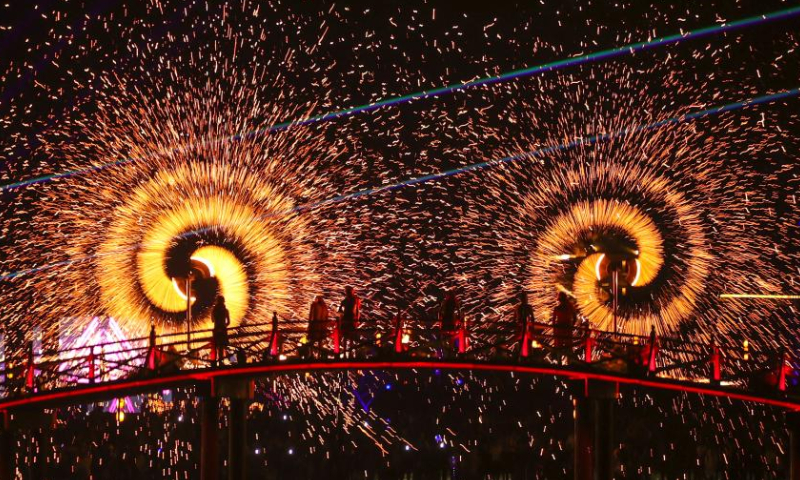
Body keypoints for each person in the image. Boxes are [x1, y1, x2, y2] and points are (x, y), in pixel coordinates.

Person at [552, 292, 576, 362]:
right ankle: (568, 363)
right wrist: (572, 326)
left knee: (560, 347)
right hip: (567, 329)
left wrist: (554, 330)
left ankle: (560, 363)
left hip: (560, 329)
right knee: (568, 347)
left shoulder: (557, 308)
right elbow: (575, 317)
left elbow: (553, 321)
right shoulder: (569, 307)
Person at [438, 290, 462, 357]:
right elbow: (459, 311)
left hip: (446, 319)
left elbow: (440, 311)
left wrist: (440, 320)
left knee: (444, 336)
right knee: (451, 336)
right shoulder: (454, 302)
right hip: (451, 320)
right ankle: (449, 352)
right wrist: (458, 319)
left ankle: (446, 352)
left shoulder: (445, 301)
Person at [338, 286, 361, 356]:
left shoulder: (352, 300)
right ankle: (347, 352)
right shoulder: (353, 299)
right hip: (349, 319)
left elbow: (340, 310)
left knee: (349, 336)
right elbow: (340, 310)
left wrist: (357, 319)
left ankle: (347, 352)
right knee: (348, 336)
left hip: (349, 319)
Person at [514, 292, 537, 357]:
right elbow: (532, 318)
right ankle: (527, 358)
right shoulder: (527, 307)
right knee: (526, 343)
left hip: (523, 328)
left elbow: (514, 319)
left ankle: (522, 357)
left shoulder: (519, 307)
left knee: (523, 343)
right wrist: (532, 327)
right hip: (525, 328)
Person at [212, 295, 230, 365]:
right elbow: (228, 322)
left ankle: (214, 362)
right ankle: (221, 362)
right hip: (223, 329)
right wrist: (224, 325)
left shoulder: (214, 310)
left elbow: (212, 320)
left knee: (215, 346)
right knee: (222, 347)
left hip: (216, 329)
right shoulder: (226, 311)